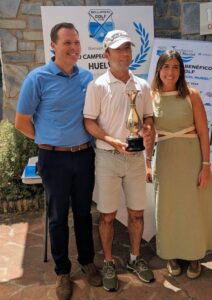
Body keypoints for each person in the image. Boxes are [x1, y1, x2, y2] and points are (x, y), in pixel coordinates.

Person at [15, 22, 102, 300]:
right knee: (57, 218)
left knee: (84, 214)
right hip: (53, 159)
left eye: (76, 42)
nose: (74, 48)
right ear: (53, 45)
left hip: (84, 155)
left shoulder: (87, 78)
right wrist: (46, 141)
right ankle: (63, 272)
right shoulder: (37, 78)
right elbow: (21, 122)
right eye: (67, 43)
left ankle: (87, 261)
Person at [83, 29, 156, 292]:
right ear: (106, 54)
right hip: (107, 157)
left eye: (128, 48)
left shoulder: (142, 85)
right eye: (119, 49)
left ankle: (136, 258)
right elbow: (88, 122)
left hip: (135, 159)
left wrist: (147, 129)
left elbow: (148, 118)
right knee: (108, 215)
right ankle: (110, 262)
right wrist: (112, 140)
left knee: (137, 213)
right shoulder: (97, 86)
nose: (125, 54)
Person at [151, 50, 212, 279]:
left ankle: (194, 256)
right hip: (165, 158)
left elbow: (202, 132)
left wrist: (205, 165)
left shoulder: (192, 95)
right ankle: (171, 255)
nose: (170, 72)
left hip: (190, 158)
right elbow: (148, 133)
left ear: (181, 71)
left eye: (175, 67)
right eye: (166, 67)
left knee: (192, 208)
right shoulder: (151, 96)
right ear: (159, 70)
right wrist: (145, 163)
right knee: (168, 208)